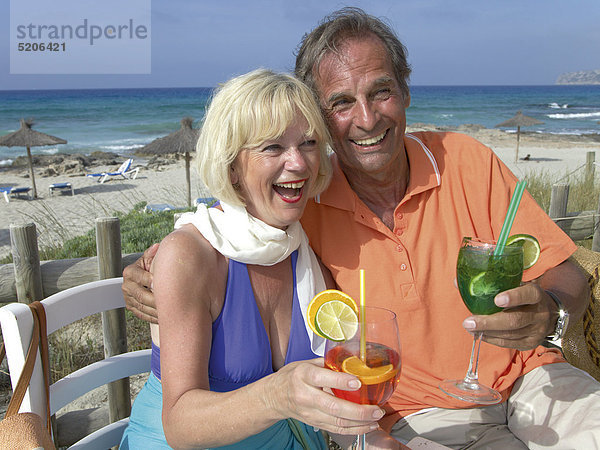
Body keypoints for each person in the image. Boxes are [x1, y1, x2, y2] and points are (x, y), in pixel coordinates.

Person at [123, 8, 600, 449]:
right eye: (342, 102)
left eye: (381, 91)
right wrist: (152, 268)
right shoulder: (304, 203)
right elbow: (234, 212)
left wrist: (551, 312)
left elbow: (567, 274)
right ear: (323, 118)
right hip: (418, 416)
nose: (367, 119)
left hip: (534, 380)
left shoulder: (468, 162)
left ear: (406, 91)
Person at [119, 69, 387, 449]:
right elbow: (180, 425)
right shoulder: (191, 255)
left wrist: (377, 439)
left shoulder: (305, 252)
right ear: (232, 165)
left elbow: (339, 398)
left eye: (309, 143)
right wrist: (278, 395)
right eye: (272, 147)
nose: (298, 163)